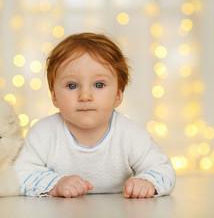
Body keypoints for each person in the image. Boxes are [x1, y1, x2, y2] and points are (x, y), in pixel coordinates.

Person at [14, 32, 176, 198]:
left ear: (118, 95)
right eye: (71, 86)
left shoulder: (130, 135)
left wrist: (146, 182)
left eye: (99, 84)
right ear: (54, 96)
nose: (85, 96)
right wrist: (56, 184)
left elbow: (163, 170)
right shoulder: (43, 133)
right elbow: (19, 173)